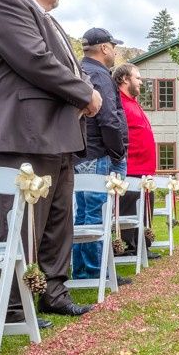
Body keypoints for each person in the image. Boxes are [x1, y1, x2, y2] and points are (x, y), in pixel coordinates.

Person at [0, 0, 102, 326]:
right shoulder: (4, 4)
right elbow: (36, 60)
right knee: (23, 223)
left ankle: (53, 292)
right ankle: (17, 305)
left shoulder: (47, 17)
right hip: (23, 132)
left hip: (58, 134)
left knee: (57, 220)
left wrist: (85, 93)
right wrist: (85, 94)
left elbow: (65, 64)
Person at [72, 27, 132, 285]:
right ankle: (96, 270)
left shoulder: (79, 71)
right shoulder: (99, 75)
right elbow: (108, 117)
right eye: (113, 47)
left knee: (84, 212)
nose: (115, 52)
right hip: (99, 152)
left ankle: (83, 269)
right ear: (105, 48)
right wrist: (118, 150)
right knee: (96, 212)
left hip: (83, 152)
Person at [112, 63, 160, 260]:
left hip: (145, 171)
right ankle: (127, 247)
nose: (141, 81)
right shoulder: (119, 103)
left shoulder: (133, 102)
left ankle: (143, 245)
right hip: (131, 169)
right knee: (129, 209)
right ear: (125, 79)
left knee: (146, 208)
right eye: (137, 78)